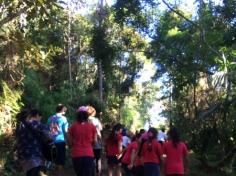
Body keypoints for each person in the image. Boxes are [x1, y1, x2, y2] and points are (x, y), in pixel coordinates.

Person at [15, 109, 51, 176]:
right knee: (34, 172)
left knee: (30, 173)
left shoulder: (19, 126)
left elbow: (17, 139)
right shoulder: (38, 125)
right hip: (34, 154)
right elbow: (49, 137)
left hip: (22, 153)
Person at [67, 106, 97, 176]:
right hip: (89, 154)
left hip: (77, 154)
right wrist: (90, 144)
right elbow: (95, 141)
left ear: (78, 115)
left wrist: (72, 146)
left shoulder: (73, 126)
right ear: (87, 115)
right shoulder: (92, 126)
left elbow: (69, 141)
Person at [47, 104, 69, 176]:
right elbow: (65, 131)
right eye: (64, 109)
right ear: (62, 110)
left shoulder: (50, 118)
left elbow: (47, 130)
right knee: (60, 161)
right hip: (60, 141)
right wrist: (67, 142)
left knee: (53, 160)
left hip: (51, 142)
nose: (65, 111)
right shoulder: (63, 119)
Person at [87, 105, 103, 176]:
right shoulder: (96, 120)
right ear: (93, 112)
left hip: (88, 143)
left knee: (90, 159)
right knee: (98, 159)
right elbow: (100, 130)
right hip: (96, 142)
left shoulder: (84, 120)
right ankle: (98, 173)